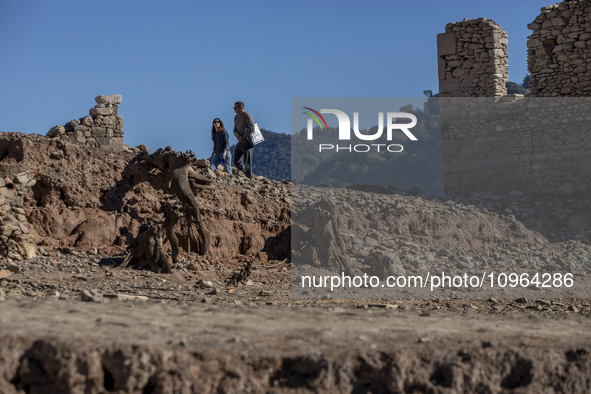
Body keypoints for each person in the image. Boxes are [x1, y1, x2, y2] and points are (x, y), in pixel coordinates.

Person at [232, 101, 255, 179]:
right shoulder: (236, 117)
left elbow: (252, 128)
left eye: (235, 107)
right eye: (234, 108)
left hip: (247, 142)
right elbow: (234, 129)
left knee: (247, 162)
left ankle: (249, 179)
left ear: (241, 107)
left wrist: (244, 136)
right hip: (239, 142)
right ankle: (246, 174)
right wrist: (237, 136)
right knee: (236, 161)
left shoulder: (247, 115)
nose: (234, 109)